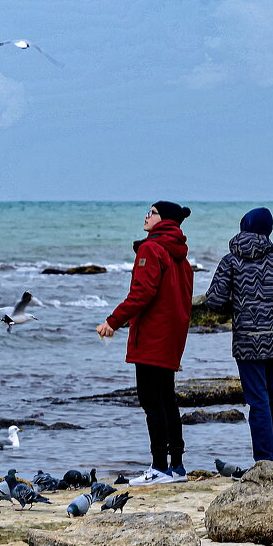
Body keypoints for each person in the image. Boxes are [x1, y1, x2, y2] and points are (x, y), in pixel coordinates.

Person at [205, 207, 273, 462]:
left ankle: (264, 461)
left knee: (257, 402)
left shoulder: (231, 261)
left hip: (246, 341)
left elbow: (214, 301)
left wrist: (233, 308)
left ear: (244, 226)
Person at [97, 200, 194, 484]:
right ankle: (176, 466)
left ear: (162, 220)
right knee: (167, 400)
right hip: (172, 337)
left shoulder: (151, 249)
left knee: (153, 402)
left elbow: (142, 293)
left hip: (152, 336)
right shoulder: (181, 256)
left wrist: (112, 321)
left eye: (151, 212)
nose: (146, 216)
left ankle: (159, 468)